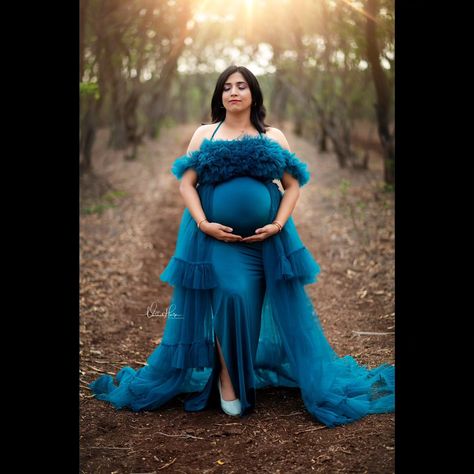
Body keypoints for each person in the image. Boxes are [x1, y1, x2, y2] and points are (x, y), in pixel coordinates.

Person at [89, 65, 394, 427]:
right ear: (220, 96)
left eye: (242, 86)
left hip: (265, 243)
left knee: (247, 309)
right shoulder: (206, 134)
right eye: (227, 87)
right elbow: (187, 184)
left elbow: (293, 185)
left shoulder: (273, 137)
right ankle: (228, 381)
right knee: (232, 296)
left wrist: (277, 223)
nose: (234, 92)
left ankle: (237, 369)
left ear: (253, 94)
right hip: (217, 240)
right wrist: (204, 223)